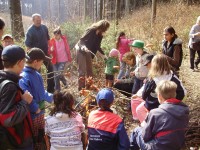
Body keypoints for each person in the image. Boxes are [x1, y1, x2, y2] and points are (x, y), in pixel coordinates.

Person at [130, 80, 189, 150]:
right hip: (177, 145)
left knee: (136, 131)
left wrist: (144, 124)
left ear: (159, 96)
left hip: (157, 147)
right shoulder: (185, 111)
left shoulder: (155, 113)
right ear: (175, 94)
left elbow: (145, 136)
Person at [131, 54, 186, 123]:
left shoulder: (152, 80)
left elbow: (144, 95)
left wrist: (140, 96)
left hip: (154, 105)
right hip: (172, 106)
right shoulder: (173, 76)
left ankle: (146, 125)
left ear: (154, 65)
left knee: (139, 110)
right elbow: (183, 92)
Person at [19, 48, 53, 149]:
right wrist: (35, 108)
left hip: (41, 112)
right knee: (33, 136)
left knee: (41, 134)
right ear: (35, 62)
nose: (41, 64)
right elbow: (25, 94)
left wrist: (53, 98)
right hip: (32, 115)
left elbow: (42, 92)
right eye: (41, 62)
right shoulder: (24, 76)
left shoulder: (37, 74)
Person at [0, 45, 33, 149]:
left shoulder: (3, 79)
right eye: (23, 61)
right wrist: (25, 101)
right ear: (19, 63)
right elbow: (7, 118)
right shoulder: (9, 86)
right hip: (17, 141)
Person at [75, 20, 110, 91]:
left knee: (90, 71)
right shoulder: (90, 30)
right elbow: (81, 40)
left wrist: (104, 56)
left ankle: (89, 87)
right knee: (82, 71)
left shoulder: (100, 35)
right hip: (81, 50)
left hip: (89, 52)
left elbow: (97, 46)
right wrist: (83, 47)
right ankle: (81, 89)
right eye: (105, 29)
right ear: (102, 27)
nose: (105, 31)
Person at [25, 13, 54, 93]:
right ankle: (38, 91)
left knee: (51, 69)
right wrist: (31, 58)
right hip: (36, 57)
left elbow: (48, 40)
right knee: (37, 74)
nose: (38, 21)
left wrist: (50, 48)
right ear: (33, 20)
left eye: (40, 20)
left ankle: (51, 89)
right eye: (37, 20)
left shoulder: (44, 28)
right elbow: (28, 47)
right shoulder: (30, 31)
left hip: (45, 54)